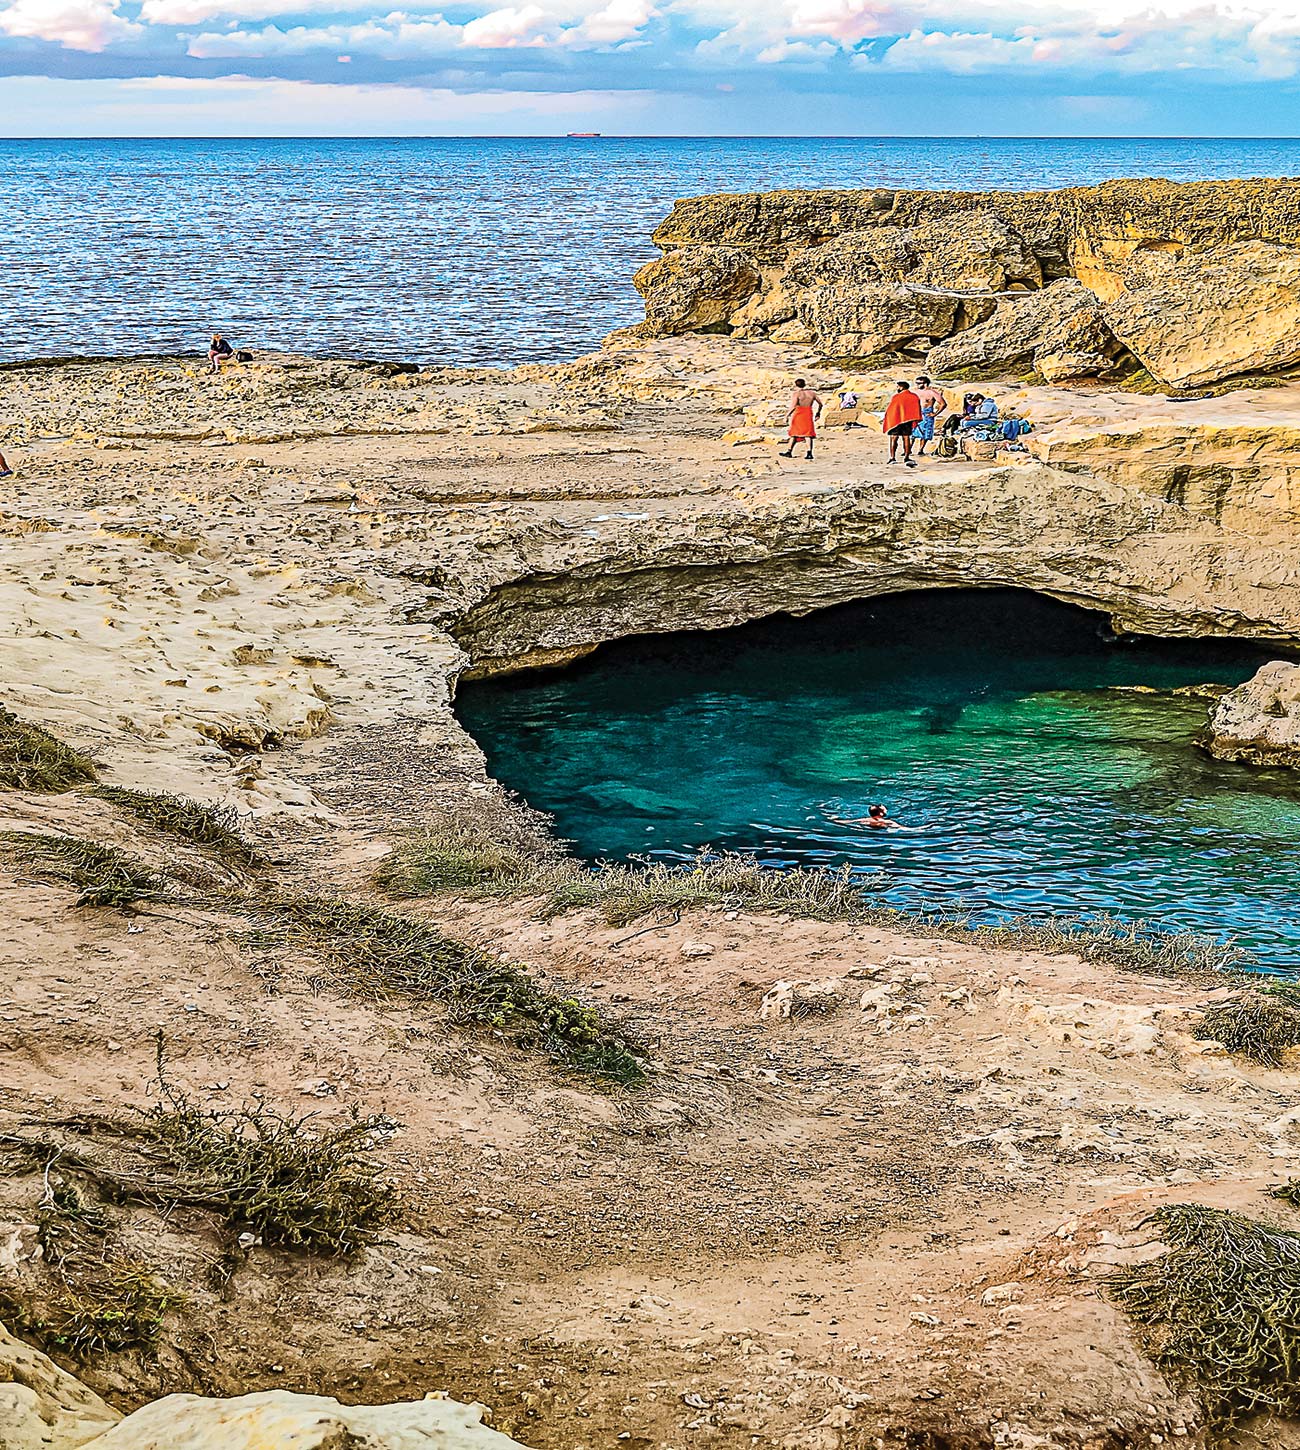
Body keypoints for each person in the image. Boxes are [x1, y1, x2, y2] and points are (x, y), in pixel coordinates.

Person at [883, 380, 922, 467]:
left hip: (896, 420)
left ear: (901, 387)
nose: (897, 388)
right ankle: (907, 457)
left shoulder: (897, 397)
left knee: (894, 438)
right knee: (906, 438)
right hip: (908, 420)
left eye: (897, 387)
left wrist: (888, 419)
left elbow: (892, 410)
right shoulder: (914, 396)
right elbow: (916, 408)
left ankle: (892, 458)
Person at [781, 379, 822, 460]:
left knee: (794, 433)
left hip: (799, 414)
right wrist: (818, 413)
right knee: (808, 434)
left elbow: (793, 406)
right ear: (805, 384)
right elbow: (820, 404)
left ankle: (789, 451)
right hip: (808, 413)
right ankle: (809, 453)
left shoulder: (797, 394)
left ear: (796, 385)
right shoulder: (812, 393)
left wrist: (786, 416)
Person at [912, 375, 948, 457]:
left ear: (925, 384)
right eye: (916, 383)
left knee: (925, 433)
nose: (917, 385)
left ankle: (920, 450)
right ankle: (908, 450)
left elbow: (943, 404)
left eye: (919, 383)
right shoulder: (915, 392)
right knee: (912, 432)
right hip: (916, 412)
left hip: (927, 412)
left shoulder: (932, 393)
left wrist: (935, 413)